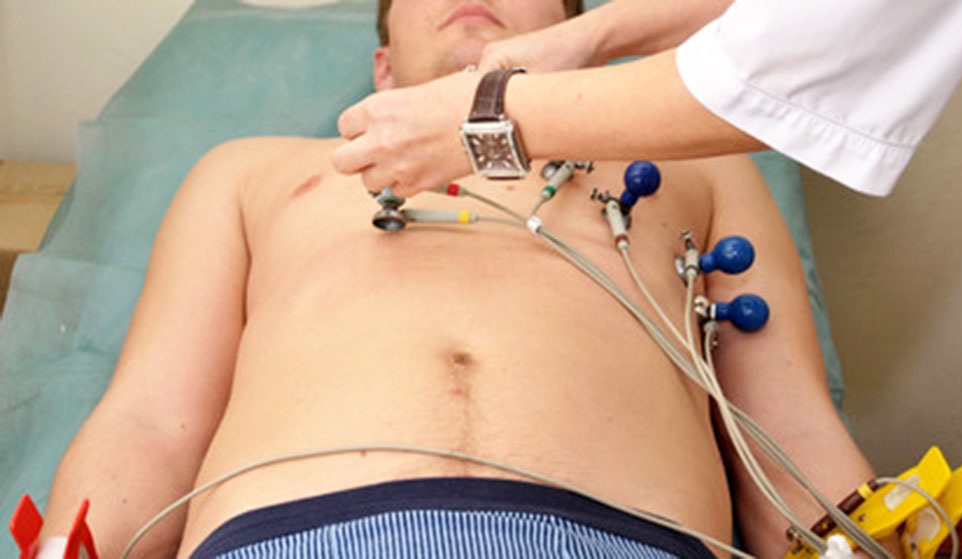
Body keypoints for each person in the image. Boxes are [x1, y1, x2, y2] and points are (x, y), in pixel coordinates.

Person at [37, 1, 887, 557]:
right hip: (295, 537)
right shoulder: (254, 175)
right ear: (380, 70)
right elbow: (150, 420)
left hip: (620, 539)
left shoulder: (696, 168)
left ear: (571, 42)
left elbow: (789, 435)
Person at [332, 0, 962, 198]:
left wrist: (491, 120)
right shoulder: (253, 174)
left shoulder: (704, 182)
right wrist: (604, 32)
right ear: (380, 67)